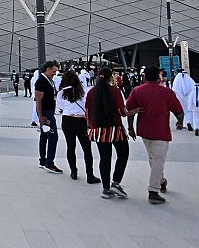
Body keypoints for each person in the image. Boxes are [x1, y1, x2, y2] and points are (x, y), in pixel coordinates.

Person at [125, 66, 184, 204]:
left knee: (153, 158)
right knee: (158, 160)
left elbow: (130, 110)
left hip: (144, 131)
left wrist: (130, 128)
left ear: (144, 77)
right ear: (159, 77)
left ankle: (161, 180)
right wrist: (180, 123)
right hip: (160, 131)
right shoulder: (166, 92)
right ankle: (153, 191)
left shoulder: (137, 91)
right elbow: (179, 111)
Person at [86, 67, 134, 199]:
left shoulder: (92, 92)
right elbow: (122, 112)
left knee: (104, 158)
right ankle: (116, 182)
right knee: (123, 154)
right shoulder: (115, 91)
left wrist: (89, 127)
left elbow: (87, 113)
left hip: (98, 130)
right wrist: (133, 112)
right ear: (110, 78)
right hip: (115, 129)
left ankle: (105, 189)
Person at [57, 70, 100, 183]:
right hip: (80, 121)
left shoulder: (61, 93)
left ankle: (73, 171)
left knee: (70, 147)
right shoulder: (82, 92)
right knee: (87, 148)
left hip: (67, 120)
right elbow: (88, 106)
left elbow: (60, 107)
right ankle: (90, 175)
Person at [35, 60, 62, 174]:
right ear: (48, 69)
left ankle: (43, 160)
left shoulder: (48, 80)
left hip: (48, 111)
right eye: (54, 71)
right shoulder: (41, 81)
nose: (55, 73)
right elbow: (38, 100)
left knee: (45, 135)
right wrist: (41, 116)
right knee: (53, 136)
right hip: (46, 113)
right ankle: (49, 163)